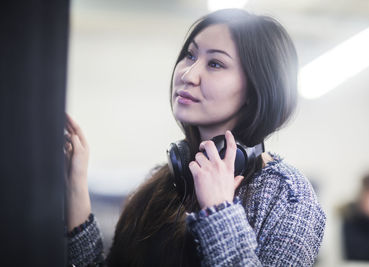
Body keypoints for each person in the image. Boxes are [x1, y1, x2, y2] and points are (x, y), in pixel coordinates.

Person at [65, 8, 326, 266]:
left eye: (215, 63)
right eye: (190, 56)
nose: (188, 75)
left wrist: (220, 211)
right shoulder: (164, 181)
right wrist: (76, 183)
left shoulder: (288, 196)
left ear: (256, 88)